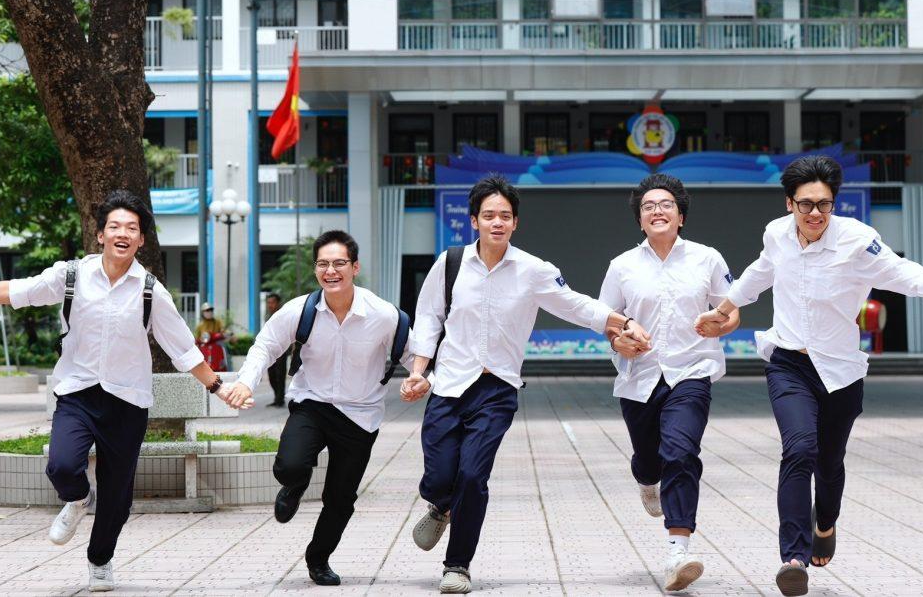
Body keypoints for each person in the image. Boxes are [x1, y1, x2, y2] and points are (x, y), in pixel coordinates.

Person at [0, 190, 241, 593]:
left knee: (117, 497)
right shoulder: (72, 276)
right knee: (62, 466)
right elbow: (19, 290)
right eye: (115, 226)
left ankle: (100, 560)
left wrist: (218, 387)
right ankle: (76, 498)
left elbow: (183, 349)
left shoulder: (150, 290)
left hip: (127, 402)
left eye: (132, 228)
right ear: (100, 234)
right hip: (78, 394)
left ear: (141, 240)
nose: (123, 234)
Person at [400, 174, 651, 594]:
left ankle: (457, 565)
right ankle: (440, 504)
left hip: (496, 389)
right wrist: (417, 371)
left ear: (515, 222)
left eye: (505, 215)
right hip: (448, 385)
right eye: (488, 215)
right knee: (441, 476)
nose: (497, 222)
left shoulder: (534, 270)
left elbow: (575, 305)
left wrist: (622, 321)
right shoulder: (450, 263)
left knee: (473, 476)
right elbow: (428, 318)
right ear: (474, 221)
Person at [694, 155, 923, 597]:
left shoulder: (857, 241)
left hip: (839, 370)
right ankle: (793, 558)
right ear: (790, 204)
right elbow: (758, 273)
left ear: (833, 203)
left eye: (824, 204)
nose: (815, 213)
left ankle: (825, 523)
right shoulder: (776, 234)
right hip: (789, 363)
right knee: (799, 449)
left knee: (830, 461)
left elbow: (906, 275)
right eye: (806, 204)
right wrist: (723, 309)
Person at [223, 230, 413, 587]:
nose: (331, 271)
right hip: (312, 404)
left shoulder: (382, 314)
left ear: (355, 267)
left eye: (339, 263)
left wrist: (419, 378)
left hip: (360, 415)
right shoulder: (300, 310)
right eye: (323, 264)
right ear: (315, 269)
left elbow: (412, 353)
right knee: (290, 465)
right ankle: (294, 485)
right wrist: (246, 382)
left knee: (340, 499)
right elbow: (265, 346)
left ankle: (318, 559)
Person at [598, 174, 740, 593]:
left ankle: (679, 550)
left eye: (665, 205)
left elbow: (731, 309)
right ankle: (646, 481)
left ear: (681, 216)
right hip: (639, 376)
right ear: (640, 220)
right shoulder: (622, 266)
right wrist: (619, 339)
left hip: (691, 371)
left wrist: (721, 325)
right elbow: (606, 319)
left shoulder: (707, 259)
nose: (657, 211)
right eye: (648, 206)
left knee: (680, 452)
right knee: (649, 459)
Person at [264, 292, 288, 407]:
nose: (270, 305)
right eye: (268, 303)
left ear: (278, 303)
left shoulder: (283, 315)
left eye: (272, 302)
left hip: (282, 349)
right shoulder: (268, 316)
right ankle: (277, 397)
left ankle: (280, 399)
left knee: (280, 375)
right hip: (271, 350)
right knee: (271, 374)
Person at [195, 301, 228, 371]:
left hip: (216, 343)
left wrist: (225, 334)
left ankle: (226, 365)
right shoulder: (200, 325)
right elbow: (197, 338)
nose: (209, 312)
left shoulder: (217, 322)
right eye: (207, 310)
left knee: (224, 348)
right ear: (202, 313)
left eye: (211, 310)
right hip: (204, 346)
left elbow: (223, 331)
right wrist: (199, 340)